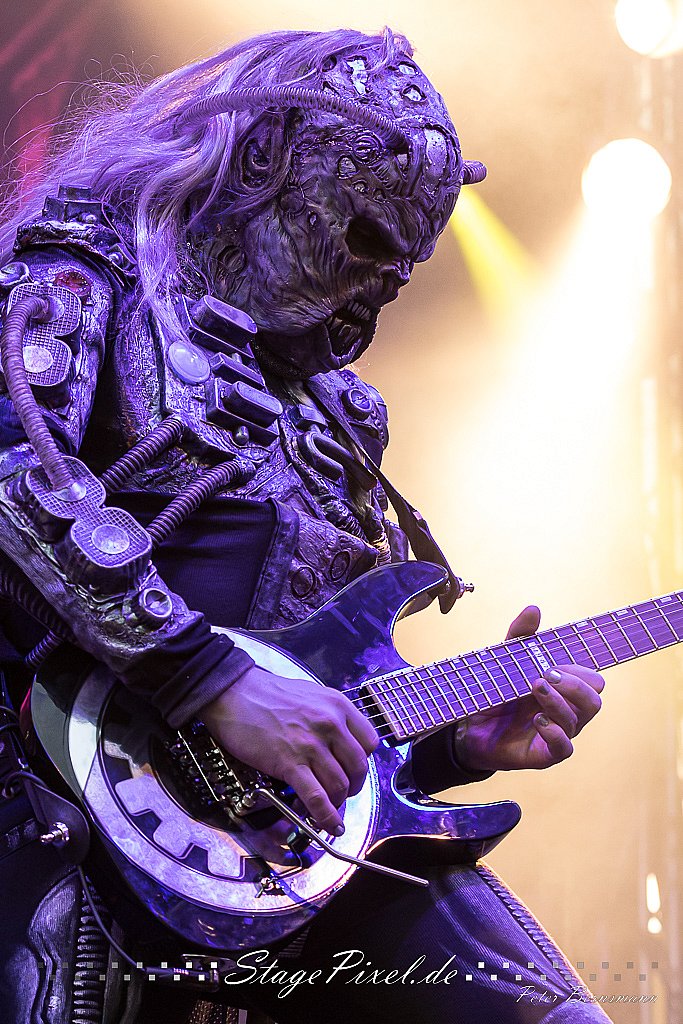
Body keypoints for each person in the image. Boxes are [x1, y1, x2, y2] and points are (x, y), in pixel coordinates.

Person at [0, 27, 610, 1024]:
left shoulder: (347, 418)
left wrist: (446, 744)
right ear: (265, 163)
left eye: (401, 267)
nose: (377, 287)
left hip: (277, 856)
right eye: (364, 239)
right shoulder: (88, 271)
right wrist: (208, 678)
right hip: (53, 807)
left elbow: (312, 693)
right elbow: (10, 480)